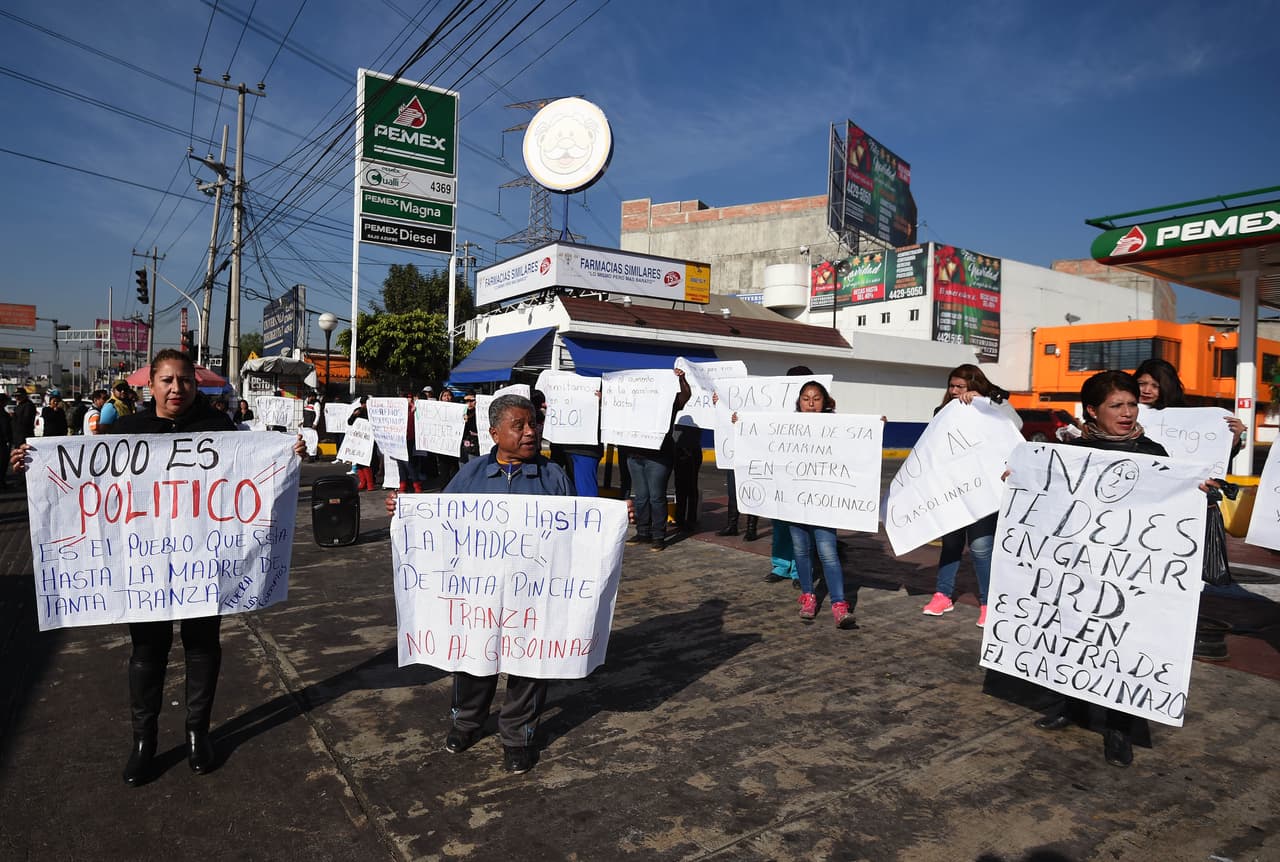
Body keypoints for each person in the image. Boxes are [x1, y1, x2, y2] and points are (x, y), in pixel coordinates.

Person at [10, 349, 304, 786]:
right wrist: (28, 465)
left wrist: (288, 454)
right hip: (143, 567)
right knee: (148, 650)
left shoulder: (219, 429)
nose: (176, 388)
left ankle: (197, 733)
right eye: (167, 380)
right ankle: (143, 742)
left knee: (202, 644)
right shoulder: (126, 431)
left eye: (184, 380)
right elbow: (78, 481)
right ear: (151, 386)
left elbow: (255, 468)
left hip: (203, 564)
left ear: (195, 385)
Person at [385, 394, 571, 775]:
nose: (530, 432)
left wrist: (618, 516)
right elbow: (440, 519)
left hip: (533, 595)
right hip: (478, 596)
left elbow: (580, 529)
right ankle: (467, 722)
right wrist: (405, 510)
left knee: (530, 665)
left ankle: (517, 737)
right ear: (494, 433)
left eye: (533, 424)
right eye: (519, 426)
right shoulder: (470, 474)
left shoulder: (554, 477)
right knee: (474, 659)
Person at [1030, 370, 1185, 768]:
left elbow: (1171, 509)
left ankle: (1119, 728)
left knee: (1121, 646)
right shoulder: (1072, 453)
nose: (1128, 413)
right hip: (1081, 568)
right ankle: (1072, 706)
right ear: (1092, 411)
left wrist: (1195, 492)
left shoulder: (1153, 453)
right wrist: (1021, 482)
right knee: (1076, 636)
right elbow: (1048, 502)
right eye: (1116, 405)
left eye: (1132, 404)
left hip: (1128, 574)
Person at [921, 364, 1013, 626]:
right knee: (951, 544)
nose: (954, 391)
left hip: (984, 491)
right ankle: (943, 594)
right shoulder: (942, 412)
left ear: (974, 386)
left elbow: (1014, 424)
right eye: (951, 386)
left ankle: (988, 602)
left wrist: (985, 402)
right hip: (952, 490)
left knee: (981, 548)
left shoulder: (994, 405)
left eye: (960, 386)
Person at [788, 381, 858, 629]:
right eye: (805, 398)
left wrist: (875, 427)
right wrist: (738, 423)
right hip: (794, 500)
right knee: (801, 550)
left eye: (816, 399)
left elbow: (856, 448)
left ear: (825, 402)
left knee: (828, 552)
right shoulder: (785, 426)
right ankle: (808, 596)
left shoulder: (837, 426)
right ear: (799, 402)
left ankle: (839, 604)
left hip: (824, 502)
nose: (810, 404)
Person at [626, 368, 692, 551]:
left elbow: (685, 396)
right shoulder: (632, 402)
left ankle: (658, 536)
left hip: (659, 457)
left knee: (656, 497)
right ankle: (643, 532)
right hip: (635, 456)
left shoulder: (668, 402)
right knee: (641, 497)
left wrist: (682, 380)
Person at [1135, 357, 1246, 450]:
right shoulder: (1126, 414)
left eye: (1155, 386)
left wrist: (1234, 437)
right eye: (1141, 384)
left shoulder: (1189, 417)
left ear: (1168, 387)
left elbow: (1211, 454)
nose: (1146, 390)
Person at [348, 395, 378, 491]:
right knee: (359, 462)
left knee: (368, 462)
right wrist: (354, 415)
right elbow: (349, 422)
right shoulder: (358, 411)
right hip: (359, 440)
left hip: (369, 440)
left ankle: (370, 483)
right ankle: (363, 482)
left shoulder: (372, 411)